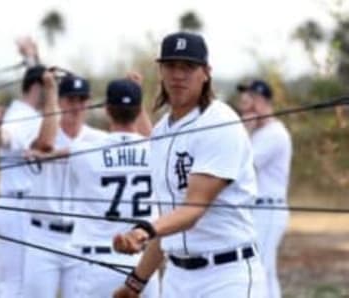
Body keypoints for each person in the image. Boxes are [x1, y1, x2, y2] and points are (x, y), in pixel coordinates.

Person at [112, 32, 267, 297]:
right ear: (160, 71)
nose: (178, 75)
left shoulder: (219, 122)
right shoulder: (160, 132)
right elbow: (168, 221)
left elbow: (193, 210)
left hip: (226, 276)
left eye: (188, 66)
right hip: (177, 278)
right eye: (171, 66)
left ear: (206, 72)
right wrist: (136, 283)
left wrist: (143, 231)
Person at [48, 78, 159, 298]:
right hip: (144, 267)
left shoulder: (85, 152)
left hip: (97, 265)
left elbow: (60, 151)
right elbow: (155, 139)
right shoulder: (157, 151)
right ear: (139, 112)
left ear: (107, 110)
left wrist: (43, 155)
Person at [0, 38, 59, 298]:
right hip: (18, 208)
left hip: (11, 205)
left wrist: (33, 57)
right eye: (48, 87)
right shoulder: (22, 117)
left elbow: (38, 76)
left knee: (1, 275)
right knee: (16, 281)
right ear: (38, 87)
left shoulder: (24, 111)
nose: (52, 93)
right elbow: (5, 137)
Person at [21, 73, 107, 297]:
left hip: (80, 237)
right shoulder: (42, 131)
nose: (76, 106)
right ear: (60, 102)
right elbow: (46, 144)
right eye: (70, 100)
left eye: (82, 100)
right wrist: (50, 90)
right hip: (43, 236)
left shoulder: (99, 139)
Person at [237, 80, 293, 298]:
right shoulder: (259, 132)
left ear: (260, 101)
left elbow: (242, 165)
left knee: (259, 269)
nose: (243, 103)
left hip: (268, 209)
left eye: (248, 98)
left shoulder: (275, 133)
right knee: (263, 271)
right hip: (257, 210)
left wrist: (244, 130)